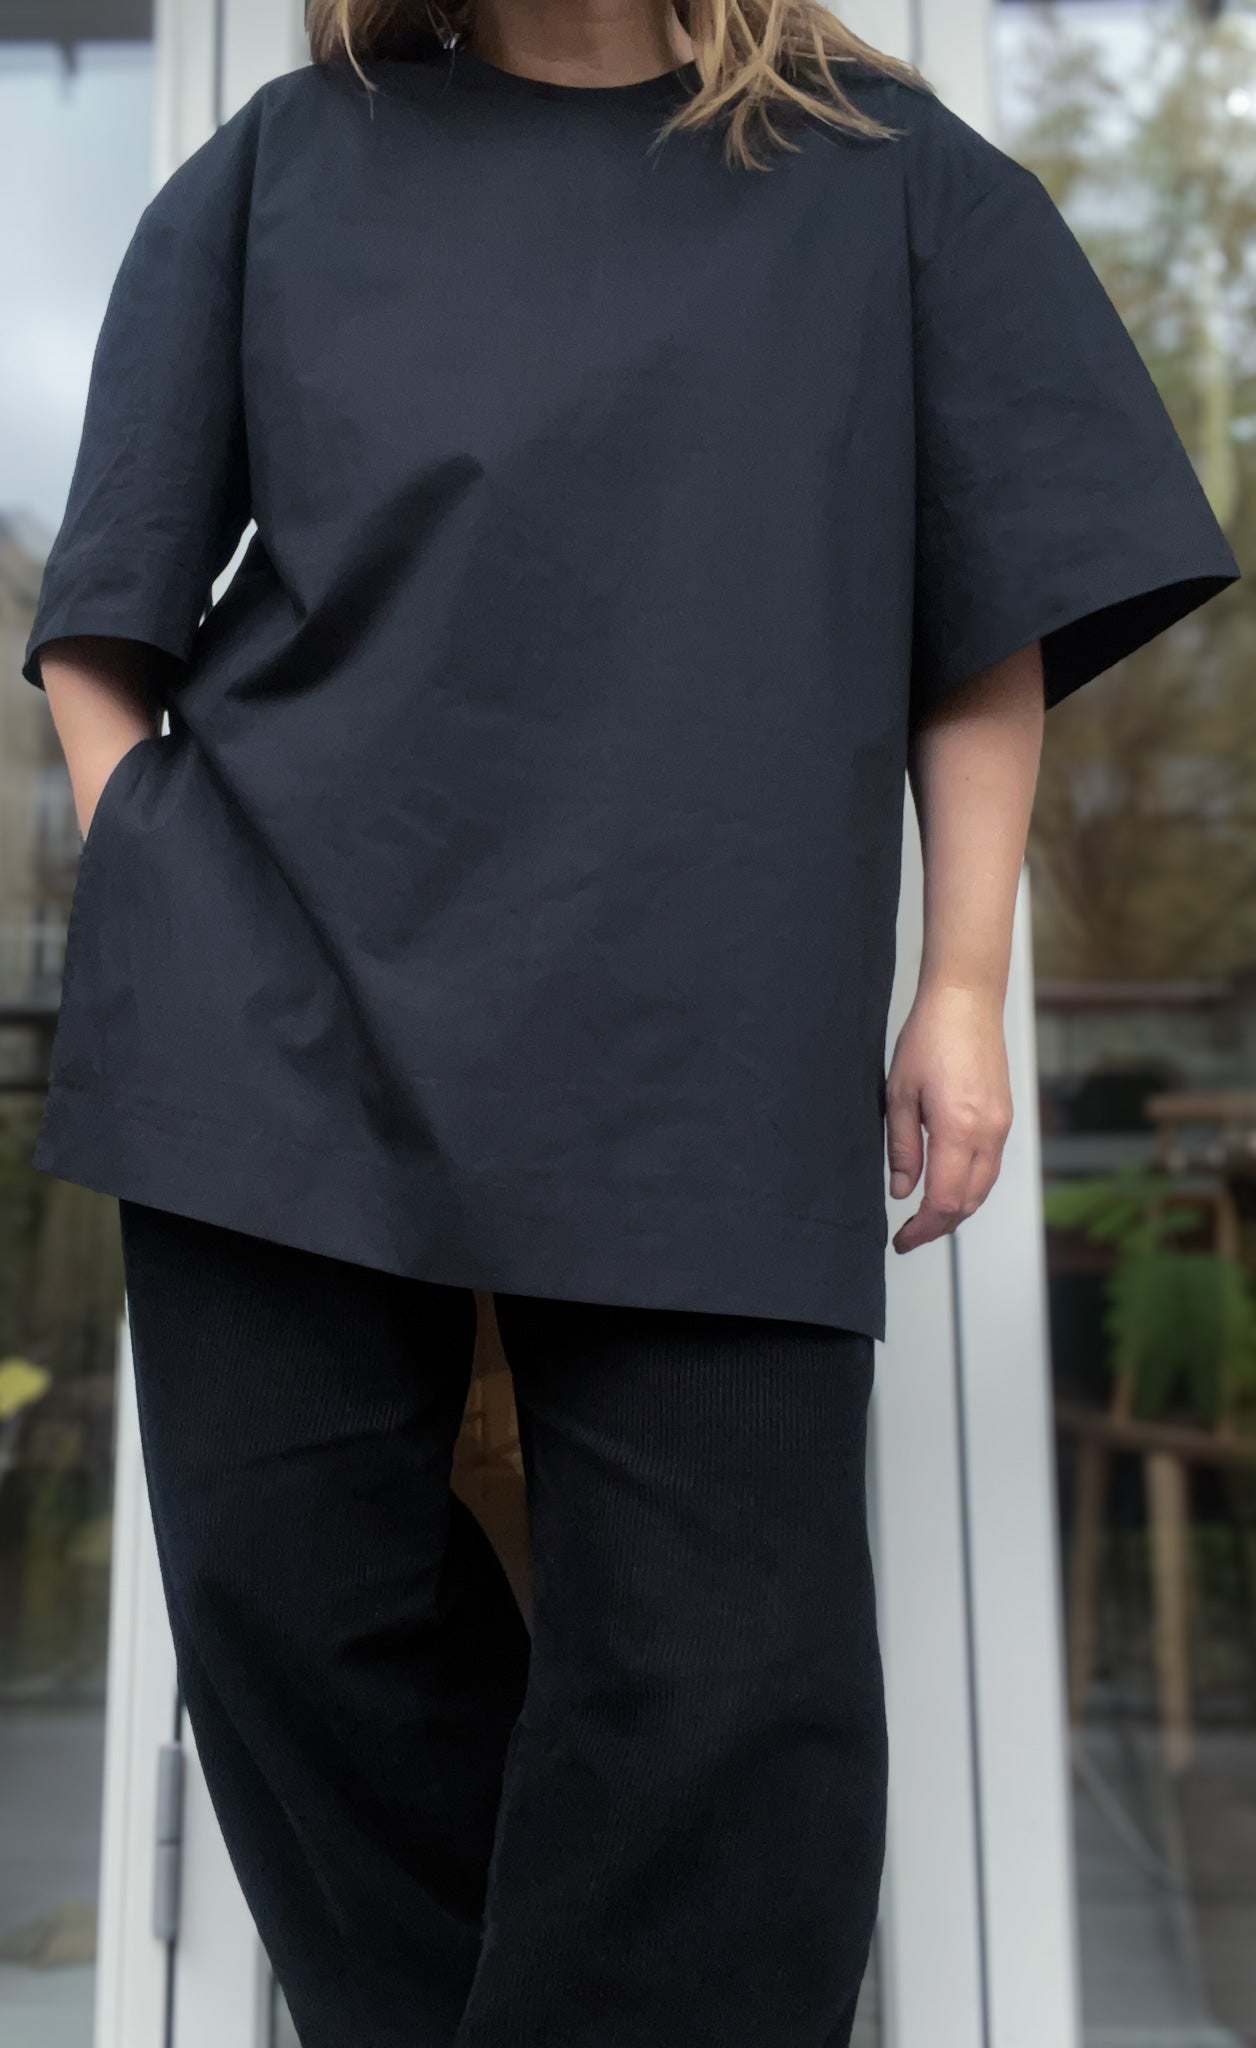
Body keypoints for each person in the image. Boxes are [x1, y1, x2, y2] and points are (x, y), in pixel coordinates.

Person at [22, 1, 1238, 2043]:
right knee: (289, 1603)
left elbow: (987, 607)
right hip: (269, 982)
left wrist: (956, 981)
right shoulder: (279, 168)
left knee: (724, 1686)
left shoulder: (896, 185)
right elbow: (106, 601)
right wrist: (148, 852)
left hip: (710, 1005)